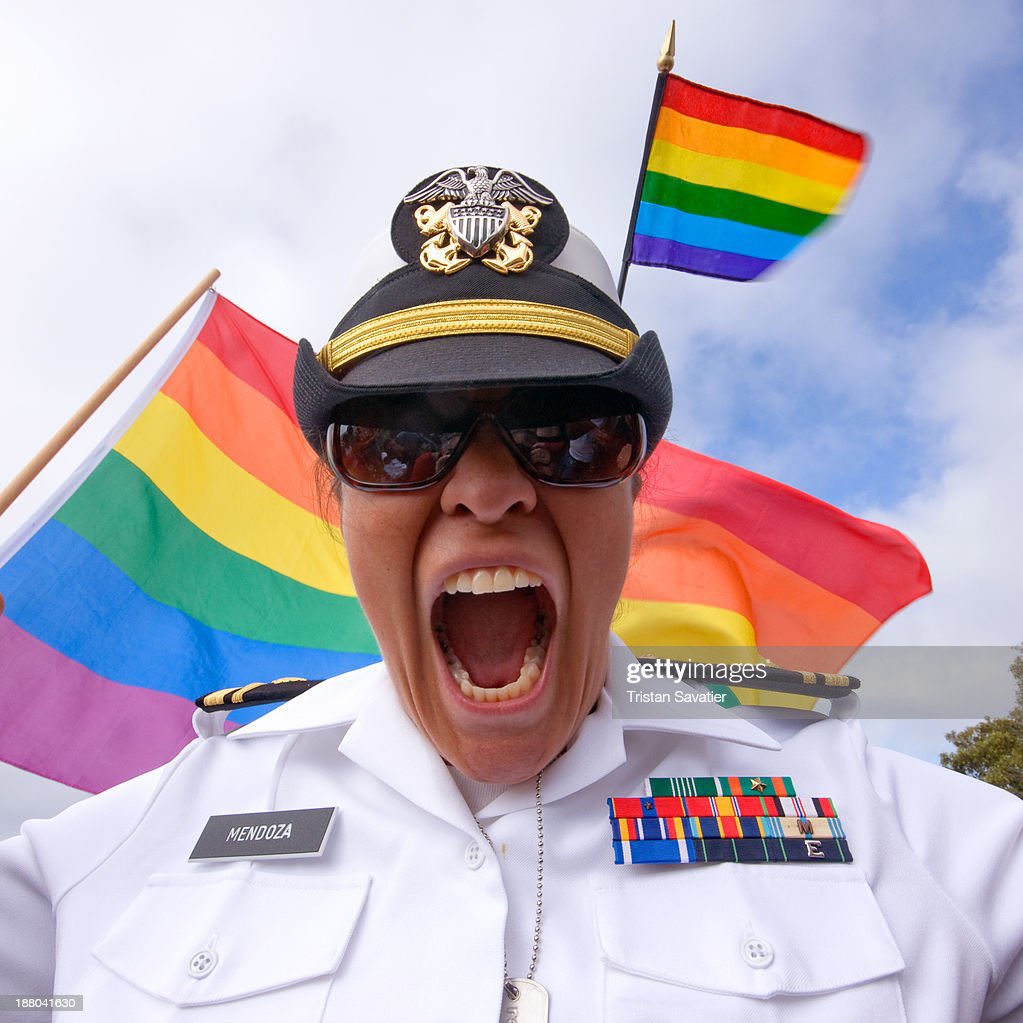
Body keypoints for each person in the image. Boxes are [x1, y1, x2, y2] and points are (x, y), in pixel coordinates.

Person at [1, 164, 1022, 1023]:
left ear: (633, 490)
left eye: (570, 432)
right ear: (337, 502)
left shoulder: (900, 834)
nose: (488, 491)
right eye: (398, 442)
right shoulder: (110, 860)